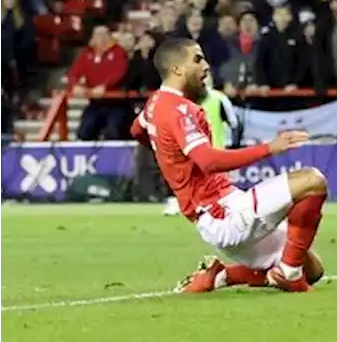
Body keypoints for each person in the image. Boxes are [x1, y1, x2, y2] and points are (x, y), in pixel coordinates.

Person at [130, 37, 325, 293]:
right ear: (177, 69)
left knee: (313, 270)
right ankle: (287, 274)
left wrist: (170, 158)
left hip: (222, 209)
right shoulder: (177, 109)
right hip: (222, 214)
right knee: (313, 180)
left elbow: (137, 130)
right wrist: (269, 147)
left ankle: (222, 275)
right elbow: (208, 161)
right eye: (197, 59)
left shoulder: (155, 103)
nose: (207, 66)